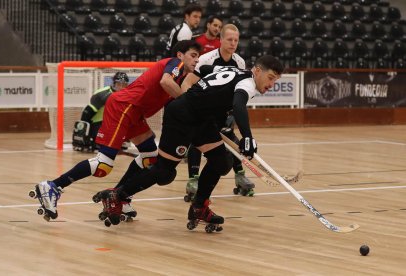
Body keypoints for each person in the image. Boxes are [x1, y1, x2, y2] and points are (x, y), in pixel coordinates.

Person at [94, 55, 284, 230]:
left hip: (201, 120)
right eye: (271, 77)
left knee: (221, 162)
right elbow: (238, 105)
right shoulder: (248, 83)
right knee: (164, 172)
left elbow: (209, 71)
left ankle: (199, 207)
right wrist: (247, 137)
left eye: (276, 80)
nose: (272, 84)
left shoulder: (236, 72)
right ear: (257, 71)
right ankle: (117, 195)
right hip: (182, 117)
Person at [31, 40, 202, 222]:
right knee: (103, 164)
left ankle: (119, 196)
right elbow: (165, 81)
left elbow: (173, 104)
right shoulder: (175, 64)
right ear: (180, 55)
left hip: (135, 112)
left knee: (150, 156)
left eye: (198, 56)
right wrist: (189, 103)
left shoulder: (179, 78)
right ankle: (52, 186)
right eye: (193, 55)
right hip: (125, 106)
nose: (196, 60)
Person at [181, 24, 255, 202]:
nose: (233, 43)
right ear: (220, 40)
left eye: (236, 40)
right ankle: (193, 179)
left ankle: (240, 176)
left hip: (223, 109)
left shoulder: (239, 62)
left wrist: (233, 114)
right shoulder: (206, 59)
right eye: (229, 39)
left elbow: (238, 92)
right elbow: (188, 82)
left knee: (231, 137)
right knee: (196, 140)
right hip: (202, 106)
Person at [72, 72, 129, 152]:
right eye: (119, 84)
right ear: (114, 83)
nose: (121, 87)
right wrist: (84, 134)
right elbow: (87, 113)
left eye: (124, 85)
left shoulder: (127, 95)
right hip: (98, 123)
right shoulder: (103, 94)